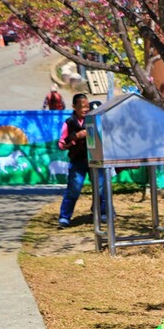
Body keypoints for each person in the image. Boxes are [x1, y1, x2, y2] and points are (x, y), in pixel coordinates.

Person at [57, 93, 106, 228]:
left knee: (101, 187)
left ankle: (103, 213)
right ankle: (64, 217)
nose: (85, 109)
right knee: (74, 189)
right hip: (78, 160)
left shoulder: (95, 119)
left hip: (95, 159)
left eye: (87, 106)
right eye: (81, 106)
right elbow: (62, 143)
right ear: (74, 107)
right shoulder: (69, 122)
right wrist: (76, 137)